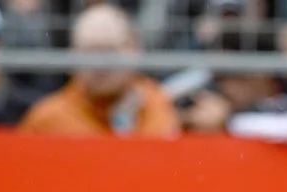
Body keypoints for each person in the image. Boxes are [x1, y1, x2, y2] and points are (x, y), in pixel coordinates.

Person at [19, 2, 178, 136]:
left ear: (134, 50)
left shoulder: (158, 107)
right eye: (90, 52)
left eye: (109, 51)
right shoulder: (47, 120)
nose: (100, 64)